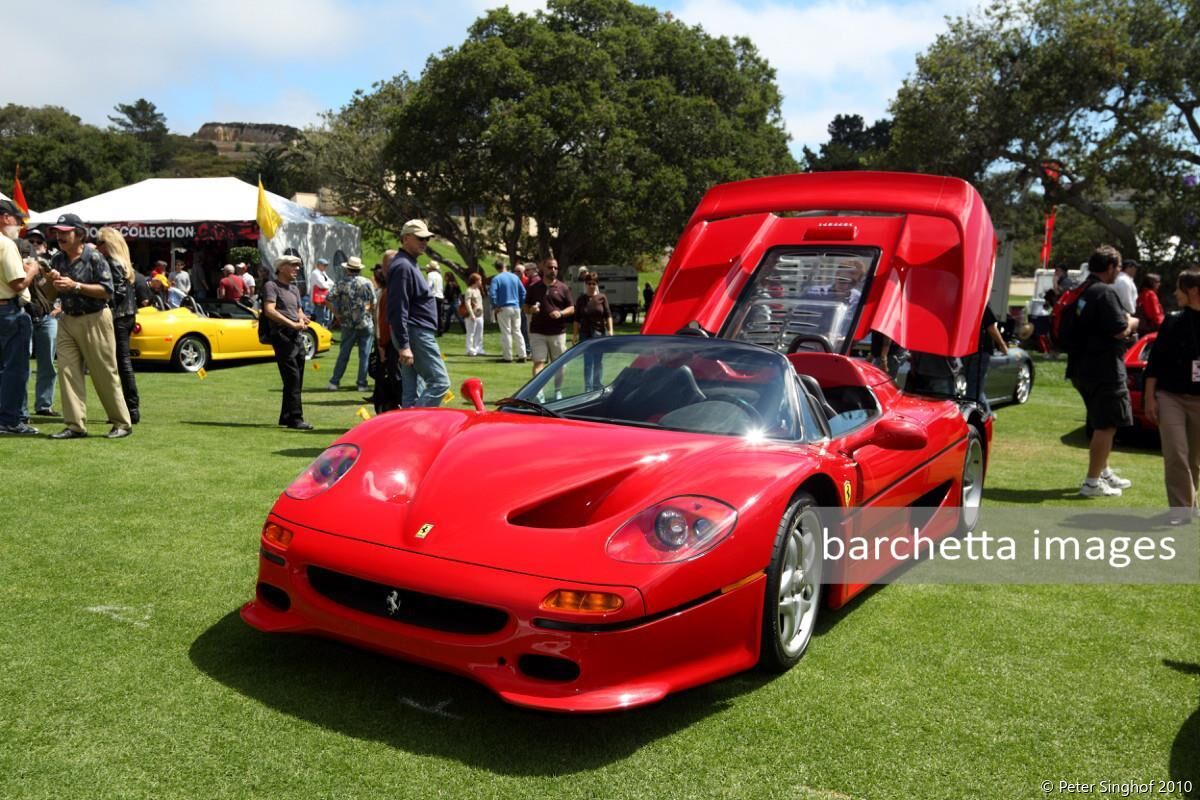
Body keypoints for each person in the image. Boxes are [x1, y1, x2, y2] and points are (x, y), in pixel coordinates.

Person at [42, 213, 132, 439]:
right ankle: (75, 425)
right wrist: (52, 281)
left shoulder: (95, 257)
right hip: (67, 319)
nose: (59, 236)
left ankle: (121, 423)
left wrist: (76, 286)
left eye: (65, 232)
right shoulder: (58, 259)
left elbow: (107, 291)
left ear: (79, 234)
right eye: (57, 232)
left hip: (95, 318)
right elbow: (48, 294)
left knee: (104, 372)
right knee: (68, 372)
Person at [1068, 245, 1137, 496]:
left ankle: (1103, 472)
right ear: (1110, 267)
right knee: (1107, 425)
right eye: (1118, 267)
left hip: (1080, 367)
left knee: (1100, 421)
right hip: (1104, 368)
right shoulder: (1105, 292)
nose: (1119, 272)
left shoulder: (1082, 290)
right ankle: (1092, 482)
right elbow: (1120, 328)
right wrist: (1132, 321)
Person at [1144, 269, 1200, 524]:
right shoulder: (1173, 321)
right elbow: (1155, 363)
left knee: (1194, 460)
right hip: (1171, 397)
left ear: (1193, 291)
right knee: (1176, 453)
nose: (1174, 293)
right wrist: (1149, 398)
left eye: (1179, 288)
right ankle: (1181, 510)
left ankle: (1190, 504)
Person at [386, 220, 450, 407]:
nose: (425, 242)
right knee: (440, 382)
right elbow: (397, 308)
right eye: (420, 238)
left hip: (413, 331)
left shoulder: (407, 264)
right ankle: (418, 423)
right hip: (415, 332)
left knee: (412, 392)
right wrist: (404, 345)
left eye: (427, 239)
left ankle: (408, 433)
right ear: (406, 238)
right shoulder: (404, 266)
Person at [0, 198, 40, 435]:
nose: (19, 225)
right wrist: (32, 271)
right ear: (6, 218)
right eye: (17, 220)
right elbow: (18, 283)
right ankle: (10, 421)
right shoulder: (6, 244)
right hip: (8, 311)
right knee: (15, 369)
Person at [95, 227, 141, 424]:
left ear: (109, 244)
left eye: (100, 243)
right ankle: (129, 408)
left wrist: (102, 304)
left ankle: (129, 409)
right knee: (122, 363)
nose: (97, 246)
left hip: (118, 317)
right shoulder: (123, 262)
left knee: (120, 363)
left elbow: (117, 292)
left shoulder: (113, 262)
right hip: (127, 315)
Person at [262, 255, 313, 430]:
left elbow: (297, 309)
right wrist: (292, 323)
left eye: (298, 266)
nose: (297, 269)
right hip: (282, 334)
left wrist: (303, 318)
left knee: (297, 377)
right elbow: (269, 310)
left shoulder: (294, 288)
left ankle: (286, 416)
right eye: (293, 266)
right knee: (292, 377)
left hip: (296, 335)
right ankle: (296, 418)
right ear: (281, 267)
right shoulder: (271, 285)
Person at [22, 227, 60, 417]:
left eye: (38, 242)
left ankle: (44, 405)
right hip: (24, 315)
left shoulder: (51, 265)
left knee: (48, 364)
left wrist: (58, 306)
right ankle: (20, 408)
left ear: (45, 246)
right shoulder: (18, 263)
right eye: (31, 241)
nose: (34, 245)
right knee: (21, 362)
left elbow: (59, 290)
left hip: (47, 316)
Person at [326, 256, 375, 393]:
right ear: (359, 269)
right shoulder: (367, 283)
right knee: (364, 355)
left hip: (347, 323)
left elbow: (328, 299)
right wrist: (370, 314)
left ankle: (335, 382)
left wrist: (336, 314)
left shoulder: (341, 283)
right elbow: (374, 302)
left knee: (344, 354)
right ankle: (362, 384)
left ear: (347, 269)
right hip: (365, 323)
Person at [524, 257, 573, 378]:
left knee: (559, 365)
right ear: (543, 268)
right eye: (550, 267)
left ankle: (557, 392)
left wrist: (560, 313)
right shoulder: (533, 287)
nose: (553, 270)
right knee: (538, 362)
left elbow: (572, 308)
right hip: (538, 332)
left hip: (557, 332)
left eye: (555, 268)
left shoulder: (563, 288)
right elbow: (525, 307)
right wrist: (531, 309)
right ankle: (539, 394)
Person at [962, 304, 1008, 412]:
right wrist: (1002, 345)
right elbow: (991, 327)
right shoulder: (981, 304)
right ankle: (986, 417)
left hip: (968, 350)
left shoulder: (966, 304)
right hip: (980, 351)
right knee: (975, 391)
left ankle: (986, 416)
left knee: (973, 390)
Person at [572, 270, 613, 390]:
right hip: (585, 334)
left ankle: (597, 384)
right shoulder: (581, 299)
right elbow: (576, 319)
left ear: (597, 284)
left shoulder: (602, 298)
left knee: (598, 361)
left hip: (600, 334)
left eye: (593, 283)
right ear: (585, 284)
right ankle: (588, 388)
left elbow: (608, 315)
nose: (591, 286)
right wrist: (574, 335)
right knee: (588, 362)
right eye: (589, 283)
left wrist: (610, 331)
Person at [488, 261, 526, 362]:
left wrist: (495, 305)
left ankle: (508, 356)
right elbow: (523, 292)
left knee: (506, 332)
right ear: (505, 266)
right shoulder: (515, 277)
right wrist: (521, 304)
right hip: (516, 307)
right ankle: (522, 354)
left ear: (497, 268)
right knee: (517, 331)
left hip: (503, 307)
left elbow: (492, 294)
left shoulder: (496, 279)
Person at [464, 272, 485, 356]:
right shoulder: (469, 290)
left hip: (480, 315)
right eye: (480, 280)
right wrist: (471, 314)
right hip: (472, 315)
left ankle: (478, 348)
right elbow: (467, 303)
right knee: (471, 332)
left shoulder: (478, 290)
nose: (481, 282)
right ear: (475, 281)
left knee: (479, 332)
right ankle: (470, 349)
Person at [309, 257, 334, 328]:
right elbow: (322, 285)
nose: (325, 267)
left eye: (326, 265)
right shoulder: (315, 273)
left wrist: (327, 284)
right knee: (320, 316)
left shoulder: (323, 273)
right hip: (318, 298)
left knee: (326, 316)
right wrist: (328, 284)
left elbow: (331, 282)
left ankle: (324, 331)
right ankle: (319, 331)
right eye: (324, 265)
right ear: (319, 265)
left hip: (325, 298)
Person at [424, 262, 445, 337]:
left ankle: (431, 329)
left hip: (433, 296)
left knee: (431, 314)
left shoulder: (430, 275)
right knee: (440, 315)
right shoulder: (439, 275)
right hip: (440, 296)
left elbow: (429, 286)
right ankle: (440, 331)